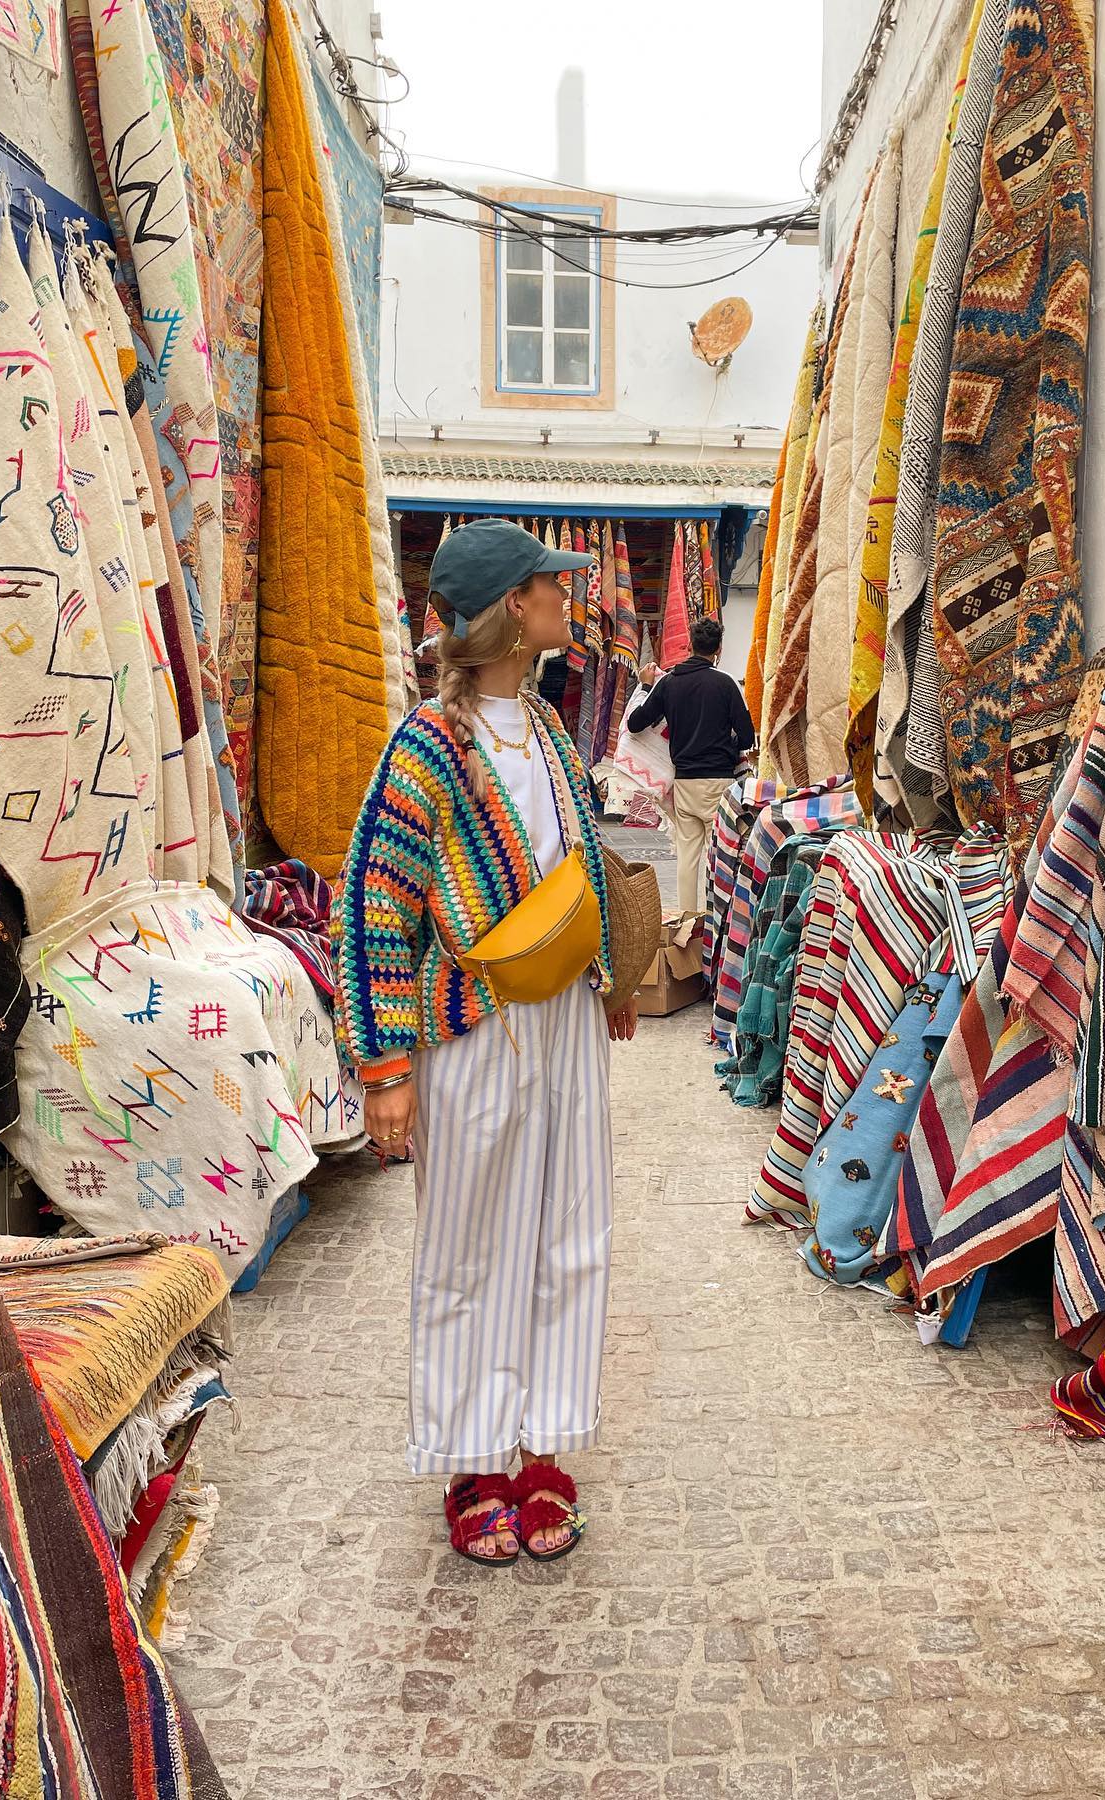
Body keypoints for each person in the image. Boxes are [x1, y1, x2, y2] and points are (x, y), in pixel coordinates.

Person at [334, 518, 638, 1568]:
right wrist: (385, 1070)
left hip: (561, 1024)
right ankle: (474, 1459)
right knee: (469, 1246)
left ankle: (542, 1443)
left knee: (568, 1234)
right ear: (516, 606)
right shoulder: (427, 742)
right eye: (554, 583)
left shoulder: (550, 729)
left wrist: (615, 973)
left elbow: (579, 865)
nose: (569, 594)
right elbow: (377, 903)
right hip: (473, 1026)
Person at [626, 615, 755, 913]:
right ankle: (718, 919)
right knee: (721, 856)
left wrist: (645, 687)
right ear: (718, 649)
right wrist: (727, 746)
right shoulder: (725, 685)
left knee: (687, 856)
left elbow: (635, 724)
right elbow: (747, 736)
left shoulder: (669, 683)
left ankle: (687, 920)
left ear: (689, 645)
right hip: (719, 783)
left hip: (683, 781)